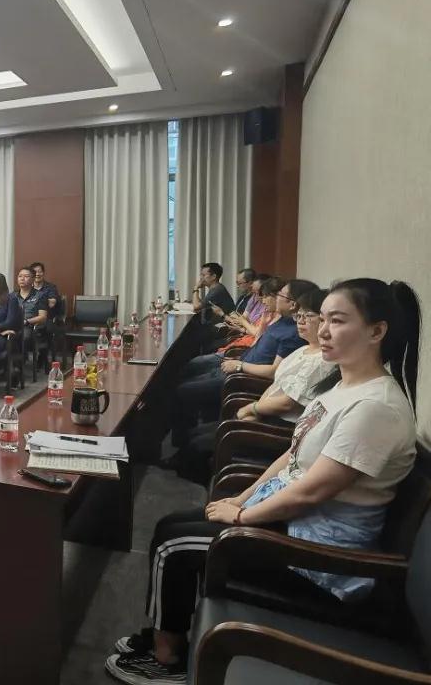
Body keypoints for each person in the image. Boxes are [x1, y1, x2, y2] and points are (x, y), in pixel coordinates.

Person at [107, 278, 421, 684]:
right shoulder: (342, 385)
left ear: (377, 331)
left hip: (315, 557)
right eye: (323, 318)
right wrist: (242, 498)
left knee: (174, 543)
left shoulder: (375, 408)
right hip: (291, 523)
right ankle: (164, 637)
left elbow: (311, 491)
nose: (323, 330)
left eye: (338, 321)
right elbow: (293, 456)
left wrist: (242, 519)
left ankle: (166, 660)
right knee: (172, 527)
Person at [171, 289, 337, 485]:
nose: (300, 321)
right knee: (196, 435)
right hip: (265, 411)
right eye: (298, 316)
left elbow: (286, 403)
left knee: (198, 443)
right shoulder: (303, 349)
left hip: (280, 425)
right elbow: (276, 384)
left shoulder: (322, 360)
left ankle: (206, 487)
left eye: (307, 316)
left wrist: (253, 409)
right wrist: (256, 409)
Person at [171, 279, 318, 446]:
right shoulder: (282, 321)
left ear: (292, 304)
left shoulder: (294, 333)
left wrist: (240, 366)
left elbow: (274, 372)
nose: (274, 298)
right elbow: (258, 347)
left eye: (280, 295)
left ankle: (181, 444)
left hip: (244, 379)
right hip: (237, 367)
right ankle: (188, 439)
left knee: (182, 391)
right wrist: (237, 360)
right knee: (184, 380)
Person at [15, 267, 49, 357]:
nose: (22, 279)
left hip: (29, 326)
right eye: (20, 276)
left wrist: (26, 321)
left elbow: (43, 317)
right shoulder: (12, 296)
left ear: (33, 279)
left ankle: (20, 362)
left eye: (26, 276)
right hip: (14, 325)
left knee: (22, 337)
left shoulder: (40, 295)